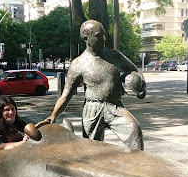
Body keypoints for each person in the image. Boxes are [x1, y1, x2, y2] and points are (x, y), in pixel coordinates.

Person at [45, 20, 147, 150]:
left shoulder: (115, 56)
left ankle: (138, 167)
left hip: (115, 107)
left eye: (104, 34)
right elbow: (65, 96)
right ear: (87, 38)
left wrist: (142, 86)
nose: (104, 38)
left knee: (134, 131)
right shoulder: (78, 65)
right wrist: (53, 116)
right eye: (99, 35)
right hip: (92, 109)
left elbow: (134, 70)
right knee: (90, 149)